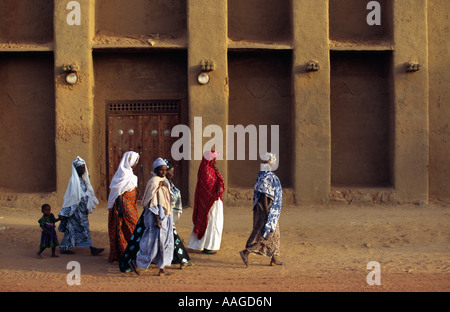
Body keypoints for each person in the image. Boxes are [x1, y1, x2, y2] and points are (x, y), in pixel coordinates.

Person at [239, 153, 284, 267]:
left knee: (274, 235)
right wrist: (267, 213)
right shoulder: (268, 177)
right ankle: (246, 252)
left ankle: (274, 258)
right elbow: (264, 196)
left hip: (263, 210)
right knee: (266, 236)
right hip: (266, 211)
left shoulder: (261, 175)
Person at [131, 157, 174, 276]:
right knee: (152, 243)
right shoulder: (154, 182)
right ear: (156, 170)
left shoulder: (164, 181)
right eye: (161, 170)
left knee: (164, 242)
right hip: (155, 216)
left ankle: (162, 269)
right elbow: (152, 202)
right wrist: (157, 219)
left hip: (165, 215)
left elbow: (169, 198)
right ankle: (137, 263)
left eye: (165, 170)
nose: (163, 172)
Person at [58, 156, 104, 256]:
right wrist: (69, 210)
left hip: (82, 210)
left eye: (83, 167)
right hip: (75, 210)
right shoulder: (73, 180)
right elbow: (73, 196)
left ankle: (65, 247)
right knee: (80, 227)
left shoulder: (82, 180)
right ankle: (92, 249)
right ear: (76, 169)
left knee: (73, 228)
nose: (82, 169)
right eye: (80, 168)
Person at [187, 150, 225, 254]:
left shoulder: (211, 169)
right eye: (214, 158)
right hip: (210, 202)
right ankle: (208, 247)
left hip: (215, 201)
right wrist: (214, 195)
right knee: (211, 223)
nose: (215, 160)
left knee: (215, 223)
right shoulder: (206, 170)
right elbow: (207, 187)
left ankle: (209, 245)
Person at [107, 151, 140, 263]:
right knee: (124, 229)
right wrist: (120, 208)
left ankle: (133, 254)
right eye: (135, 160)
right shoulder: (122, 175)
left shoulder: (131, 175)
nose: (136, 163)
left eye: (136, 160)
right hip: (123, 207)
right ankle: (123, 254)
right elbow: (118, 193)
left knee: (133, 228)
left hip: (132, 205)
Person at [165, 159, 192, 269]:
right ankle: (183, 260)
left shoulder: (167, 182)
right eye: (170, 171)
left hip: (166, 215)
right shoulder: (162, 183)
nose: (172, 173)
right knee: (173, 237)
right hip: (162, 215)